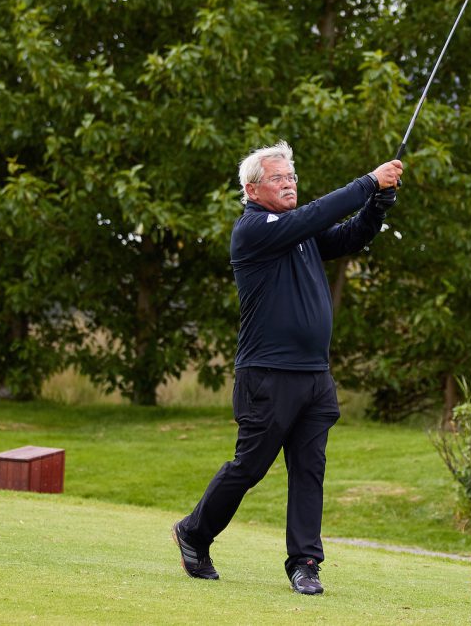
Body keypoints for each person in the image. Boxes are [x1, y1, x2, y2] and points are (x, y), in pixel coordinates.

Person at [171, 140, 402, 595]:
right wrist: (368, 180)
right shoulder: (254, 229)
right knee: (249, 467)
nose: (289, 184)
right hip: (267, 375)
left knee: (309, 468)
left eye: (292, 177)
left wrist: (378, 202)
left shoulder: (299, 233)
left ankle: (305, 564)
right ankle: (194, 532)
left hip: (315, 376)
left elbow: (349, 236)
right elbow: (315, 217)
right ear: (253, 190)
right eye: (279, 178)